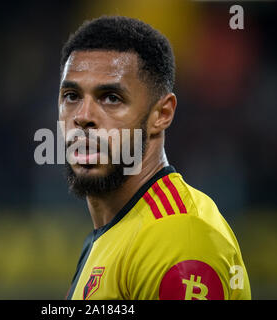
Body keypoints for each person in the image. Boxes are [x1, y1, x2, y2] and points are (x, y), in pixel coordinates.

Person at [58, 16, 251, 300]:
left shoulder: (177, 235)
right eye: (72, 96)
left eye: (111, 97)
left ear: (162, 114)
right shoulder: (116, 233)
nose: (83, 116)